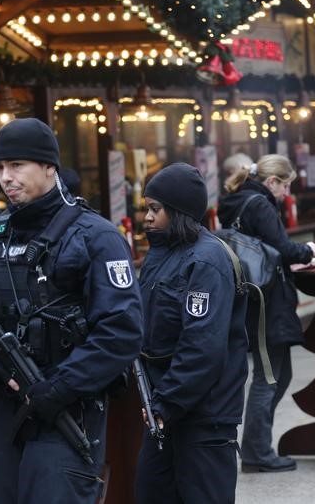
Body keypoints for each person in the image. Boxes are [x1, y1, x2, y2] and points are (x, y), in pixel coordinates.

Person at [0, 118, 143, 503]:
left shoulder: (96, 237)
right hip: (7, 407)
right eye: (0, 168)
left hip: (69, 409)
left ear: (49, 166)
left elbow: (121, 332)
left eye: (17, 165)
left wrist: (58, 387)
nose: (6, 178)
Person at [134, 163, 248, 502]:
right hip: (164, 408)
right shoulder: (161, 254)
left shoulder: (206, 260)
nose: (147, 217)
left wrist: (165, 402)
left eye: (155, 208)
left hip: (203, 415)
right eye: (146, 208)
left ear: (179, 211)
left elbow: (202, 346)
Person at [218, 154, 315, 473]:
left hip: (251, 294)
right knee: (269, 375)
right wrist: (309, 252)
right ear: (272, 181)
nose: (287, 194)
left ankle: (256, 445)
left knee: (279, 372)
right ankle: (256, 451)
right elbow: (283, 247)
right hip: (267, 298)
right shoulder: (260, 205)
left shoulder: (233, 202)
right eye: (285, 185)